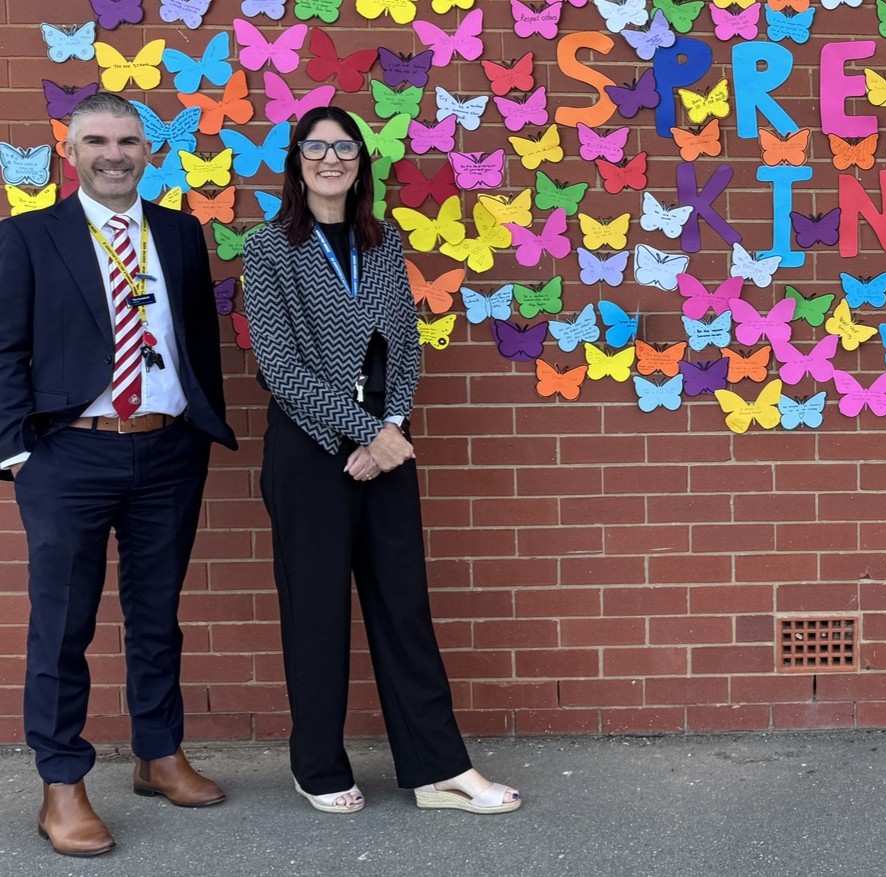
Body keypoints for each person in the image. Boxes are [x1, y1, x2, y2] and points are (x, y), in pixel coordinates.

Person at [241, 107, 519, 816]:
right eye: (316, 147)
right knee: (317, 610)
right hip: (309, 451)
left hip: (386, 447)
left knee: (403, 606)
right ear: (296, 160)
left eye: (345, 148)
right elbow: (279, 366)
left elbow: (407, 345)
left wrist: (388, 429)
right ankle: (316, 765)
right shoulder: (268, 248)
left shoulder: (382, 239)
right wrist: (364, 431)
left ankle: (437, 769)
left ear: (361, 162)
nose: (330, 159)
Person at [0, 93, 236, 856]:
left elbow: (197, 339)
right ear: (70, 152)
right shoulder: (27, 237)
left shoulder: (181, 233)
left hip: (167, 451)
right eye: (97, 140)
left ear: (148, 151)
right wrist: (17, 454)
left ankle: (157, 753)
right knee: (63, 623)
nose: (113, 154)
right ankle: (61, 782)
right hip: (69, 454)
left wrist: (197, 430)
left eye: (128, 141)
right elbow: (4, 350)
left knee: (156, 612)